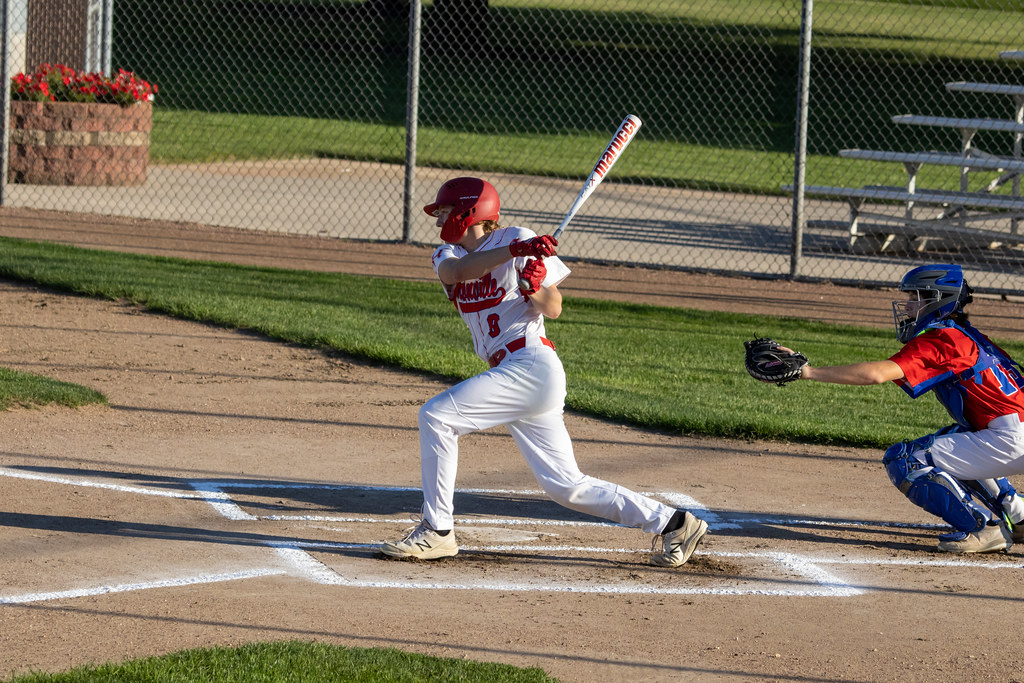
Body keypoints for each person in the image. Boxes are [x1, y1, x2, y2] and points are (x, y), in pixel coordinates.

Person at [379, 176, 708, 566]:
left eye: (445, 211)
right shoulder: (449, 253)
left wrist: (533, 286)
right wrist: (515, 253)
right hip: (515, 373)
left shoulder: (520, 237)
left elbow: (553, 307)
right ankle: (675, 523)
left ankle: (437, 532)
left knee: (436, 417)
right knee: (566, 487)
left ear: (469, 211)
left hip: (531, 364)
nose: (438, 220)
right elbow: (458, 272)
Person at [789, 263, 1024, 553]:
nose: (908, 305)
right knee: (956, 437)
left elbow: (876, 374)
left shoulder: (941, 340)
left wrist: (808, 372)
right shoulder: (966, 334)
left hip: (1009, 438)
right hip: (1012, 433)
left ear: (938, 300)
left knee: (906, 461)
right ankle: (1018, 515)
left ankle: (983, 528)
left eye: (916, 297)